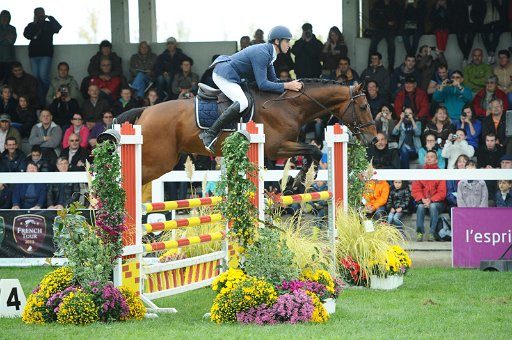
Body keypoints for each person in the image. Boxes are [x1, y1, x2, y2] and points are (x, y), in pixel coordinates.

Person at [199, 26, 302, 153]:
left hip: (233, 75)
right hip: (224, 74)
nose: (289, 45)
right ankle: (209, 134)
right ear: (277, 41)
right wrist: (287, 85)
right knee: (243, 102)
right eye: (287, 41)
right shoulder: (263, 53)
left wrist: (290, 84)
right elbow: (263, 85)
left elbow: (274, 81)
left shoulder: (270, 54)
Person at [23, 7, 61, 104]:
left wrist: (50, 17)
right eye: (38, 14)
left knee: (43, 76)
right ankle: (41, 99)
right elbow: (26, 35)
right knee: (36, 78)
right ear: (35, 15)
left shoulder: (49, 24)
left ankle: (49, 94)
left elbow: (58, 28)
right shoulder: (31, 25)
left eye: (42, 13)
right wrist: (35, 24)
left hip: (46, 54)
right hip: (33, 54)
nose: (40, 15)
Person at [412, 150, 446, 242]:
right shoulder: (421, 172)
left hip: (437, 203)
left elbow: (442, 193)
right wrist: (423, 199)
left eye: (432, 157)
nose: (429, 158)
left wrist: (430, 200)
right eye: (427, 157)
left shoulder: (440, 173)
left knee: (433, 206)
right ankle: (419, 232)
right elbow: (415, 190)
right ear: (425, 159)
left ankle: (431, 232)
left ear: (436, 160)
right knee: (420, 207)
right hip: (423, 201)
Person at [368, 0, 400, 71]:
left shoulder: (395, 4)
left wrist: (394, 24)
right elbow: (373, 18)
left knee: (392, 45)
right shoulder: (377, 4)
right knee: (372, 45)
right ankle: (370, 65)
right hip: (379, 29)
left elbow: (398, 17)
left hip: (390, 29)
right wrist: (386, 22)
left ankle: (391, 67)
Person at [454, 0, 485, 66]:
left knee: (470, 36)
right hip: (463, 24)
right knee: (459, 35)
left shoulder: (478, 2)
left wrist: (478, 23)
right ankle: (466, 56)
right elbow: (457, 15)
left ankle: (465, 57)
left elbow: (481, 14)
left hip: (474, 24)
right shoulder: (460, 3)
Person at [480, 0, 506, 64]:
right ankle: (491, 54)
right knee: (483, 34)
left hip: (498, 22)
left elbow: (503, 11)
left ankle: (491, 55)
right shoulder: (484, 3)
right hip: (486, 22)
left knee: (496, 33)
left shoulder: (498, 2)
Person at [0, 10, 17, 84]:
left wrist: (2, 38)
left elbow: (11, 41)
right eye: (3, 17)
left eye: (7, 17)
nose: (5, 18)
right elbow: (8, 39)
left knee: (8, 79)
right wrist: (5, 37)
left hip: (9, 58)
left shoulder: (12, 28)